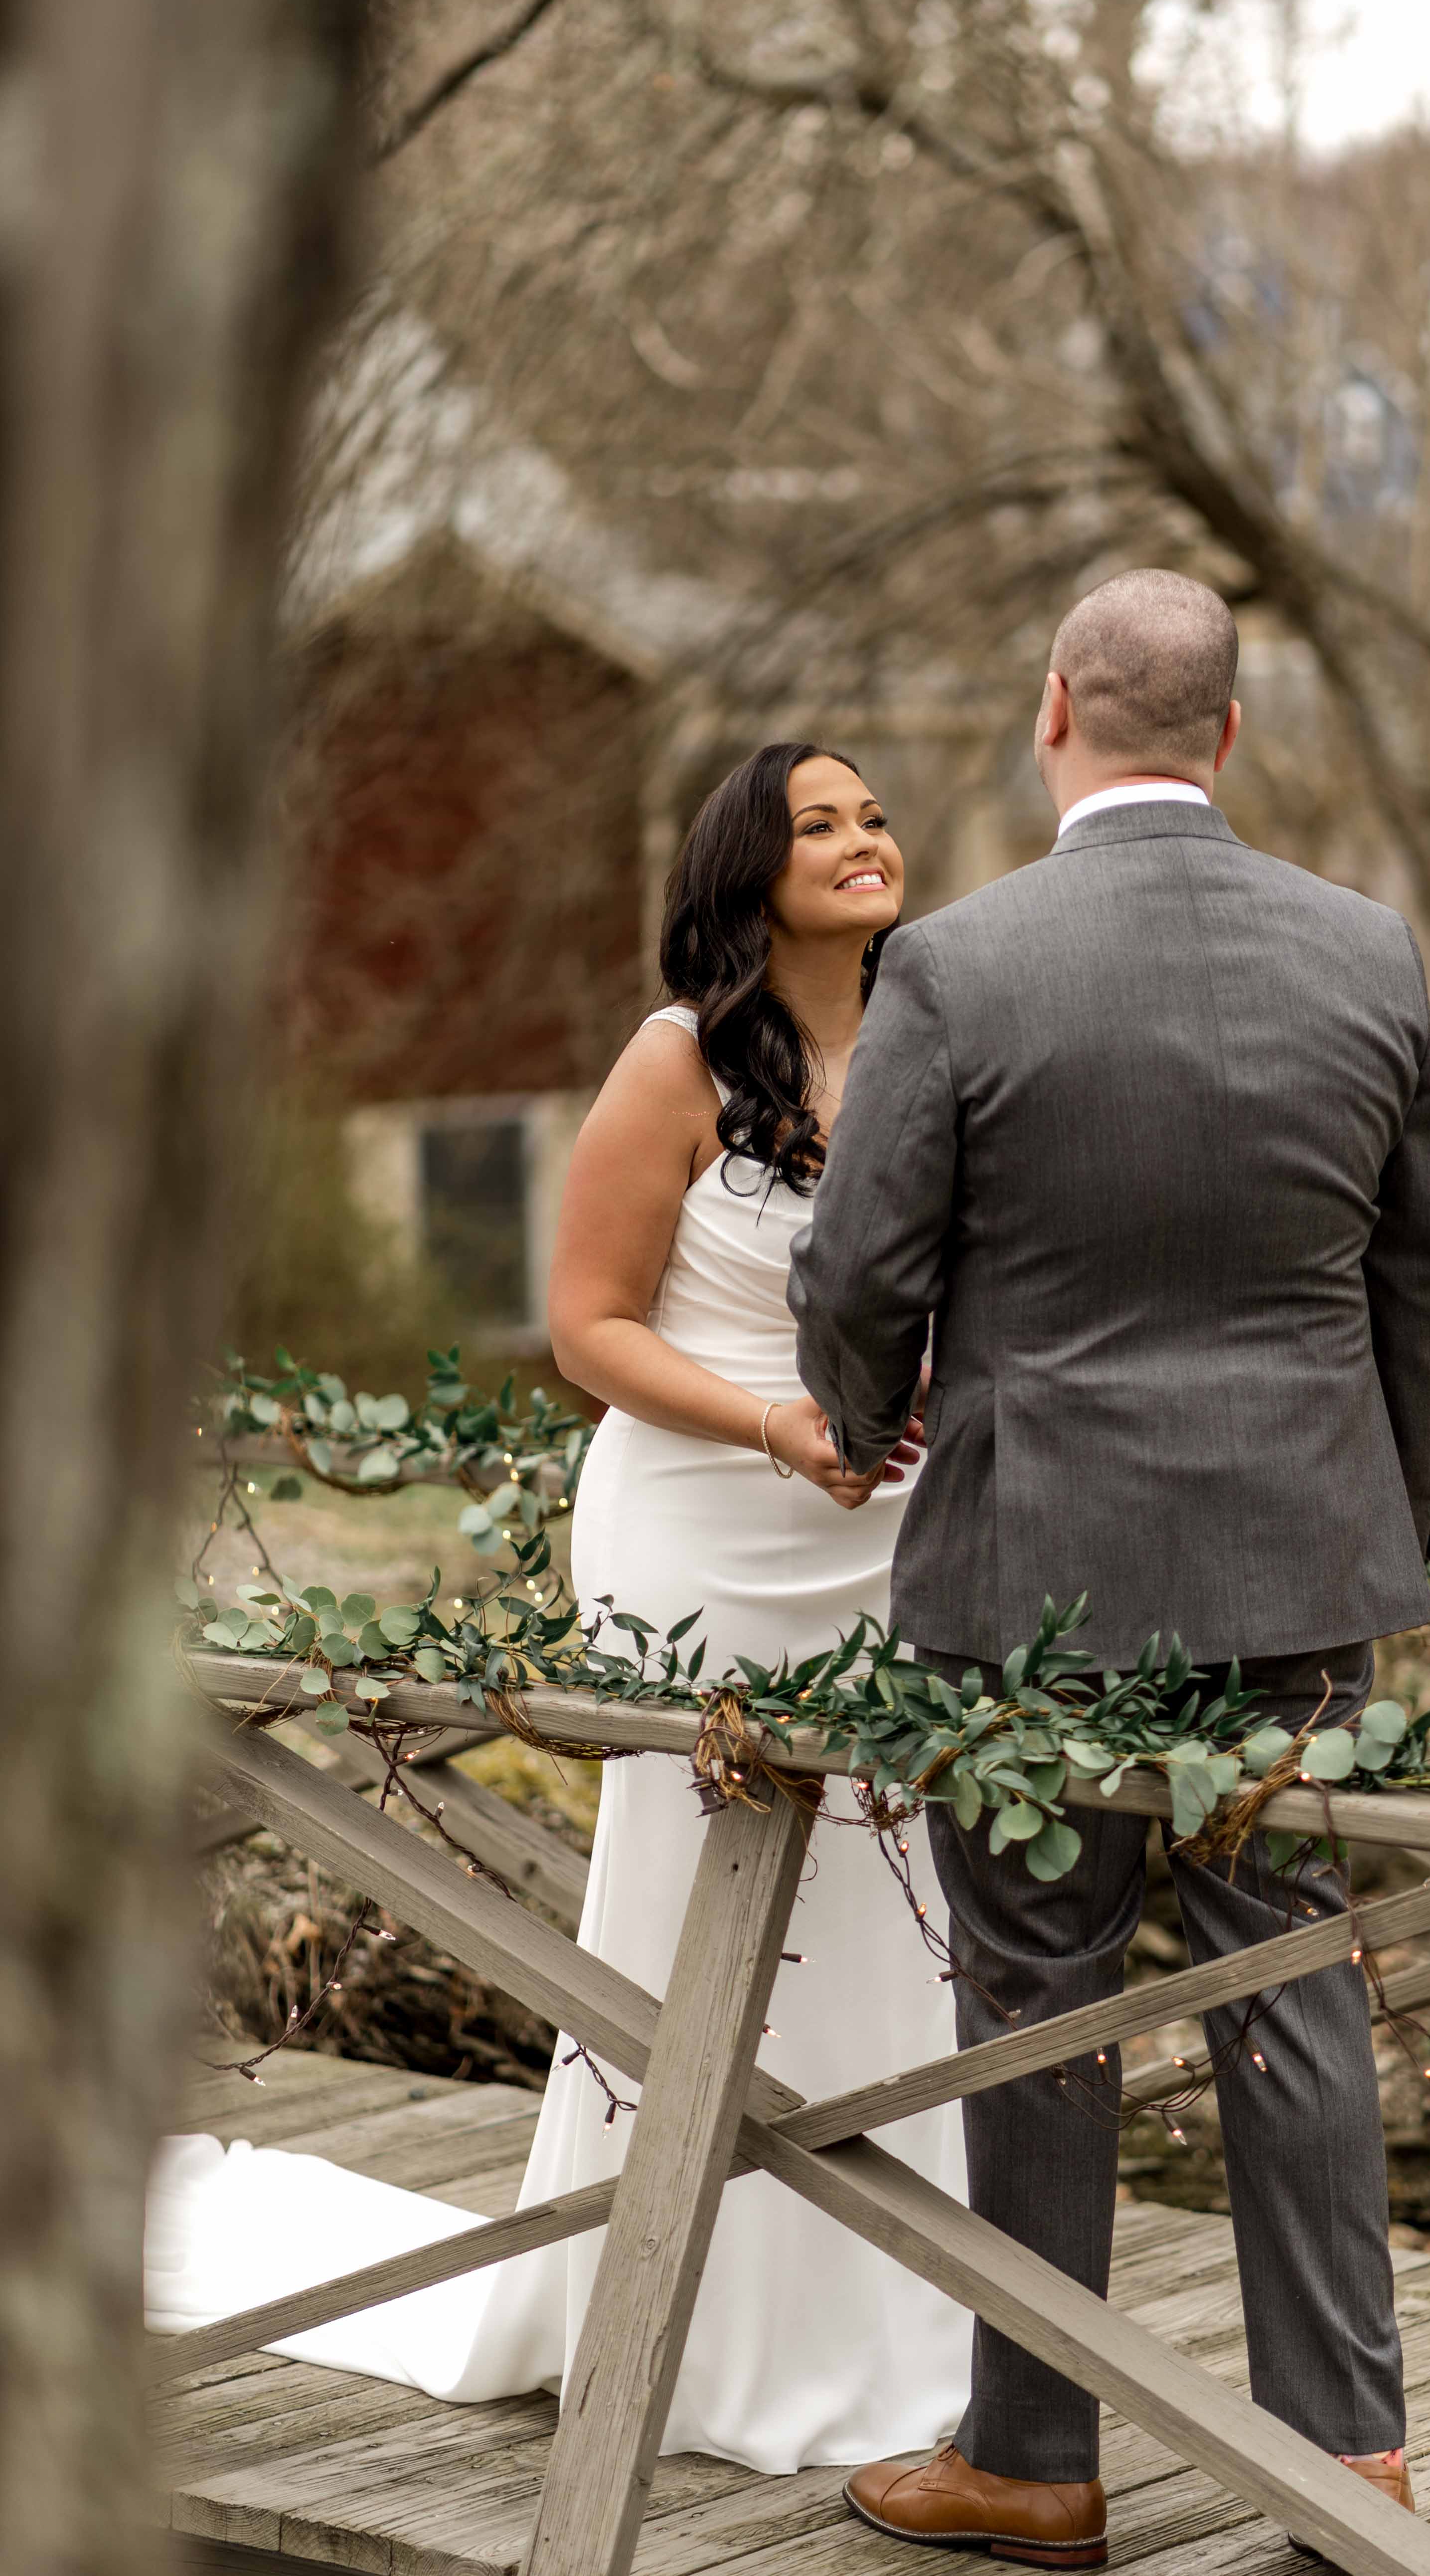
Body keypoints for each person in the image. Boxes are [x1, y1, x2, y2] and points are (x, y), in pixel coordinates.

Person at [146, 742, 972, 2474]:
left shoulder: (942, 1036)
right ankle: (671, 2307)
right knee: (698, 1906)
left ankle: (904, 2318)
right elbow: (590, 1326)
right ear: (747, 873)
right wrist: (772, 1424)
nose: (865, 842)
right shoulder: (677, 1062)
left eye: (876, 818)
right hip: (703, 1525)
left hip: (888, 1533)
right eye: (820, 825)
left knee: (895, 1906)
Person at [789, 570, 1430, 2562]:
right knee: (1292, 1980)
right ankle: (1351, 2464)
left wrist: (867, 1423)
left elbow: (861, 1275)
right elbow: (1429, 1286)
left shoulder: (959, 966)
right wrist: (1378, 1517)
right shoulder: (1368, 949)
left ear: (1053, 713)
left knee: (1036, 1998)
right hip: (1298, 1571)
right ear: (1231, 731)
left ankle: (1035, 2457)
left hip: (1031, 1574)